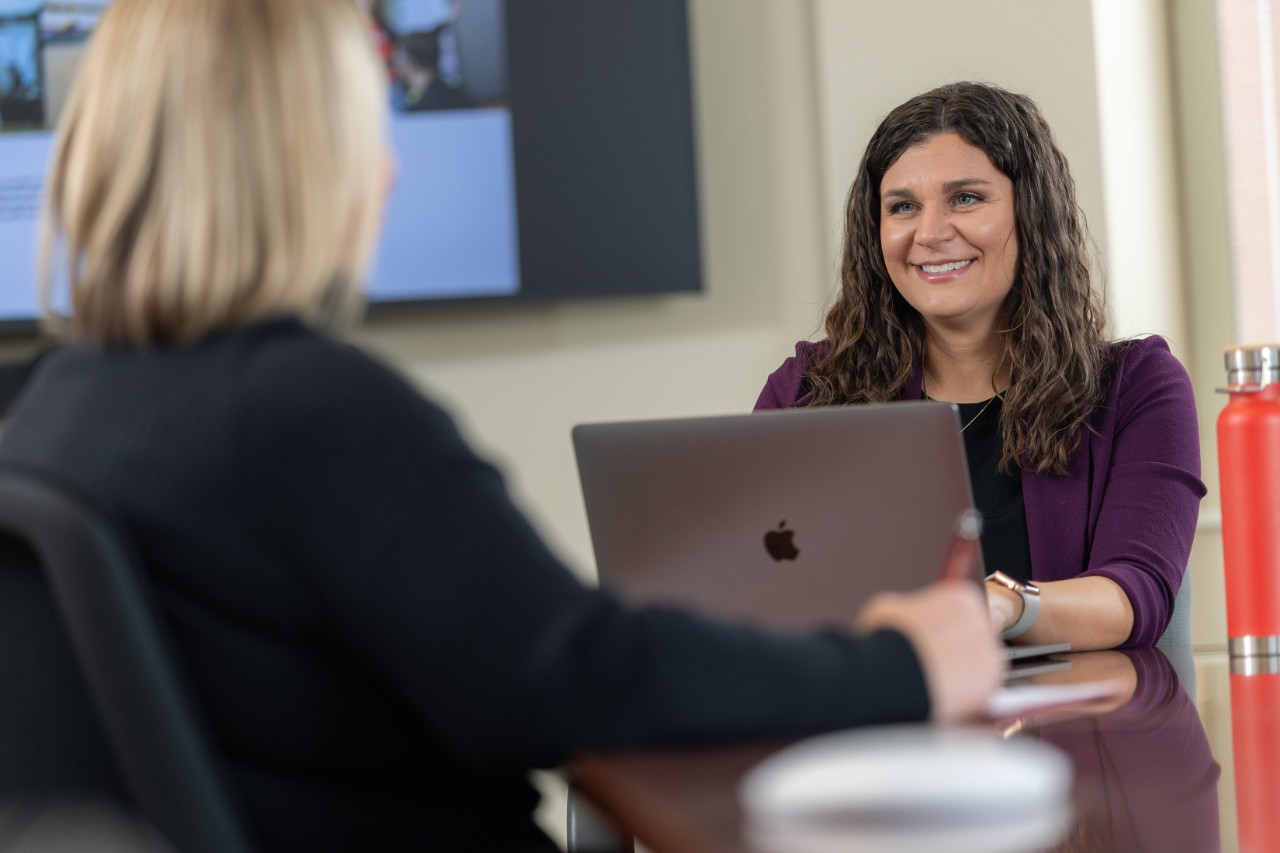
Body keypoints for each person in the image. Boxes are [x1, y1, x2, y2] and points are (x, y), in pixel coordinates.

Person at [0, 3, 1002, 850]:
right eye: (366, 128)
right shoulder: (300, 411)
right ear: (302, 155)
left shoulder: (56, 402)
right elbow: (576, 678)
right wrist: (900, 663)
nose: (387, 175)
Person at [756, 82, 1206, 653]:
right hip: (871, 706)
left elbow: (1134, 595)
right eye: (902, 207)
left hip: (1072, 709)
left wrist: (998, 605)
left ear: (1032, 213)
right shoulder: (806, 392)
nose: (930, 233)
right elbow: (755, 578)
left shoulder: (1137, 387)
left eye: (965, 198)